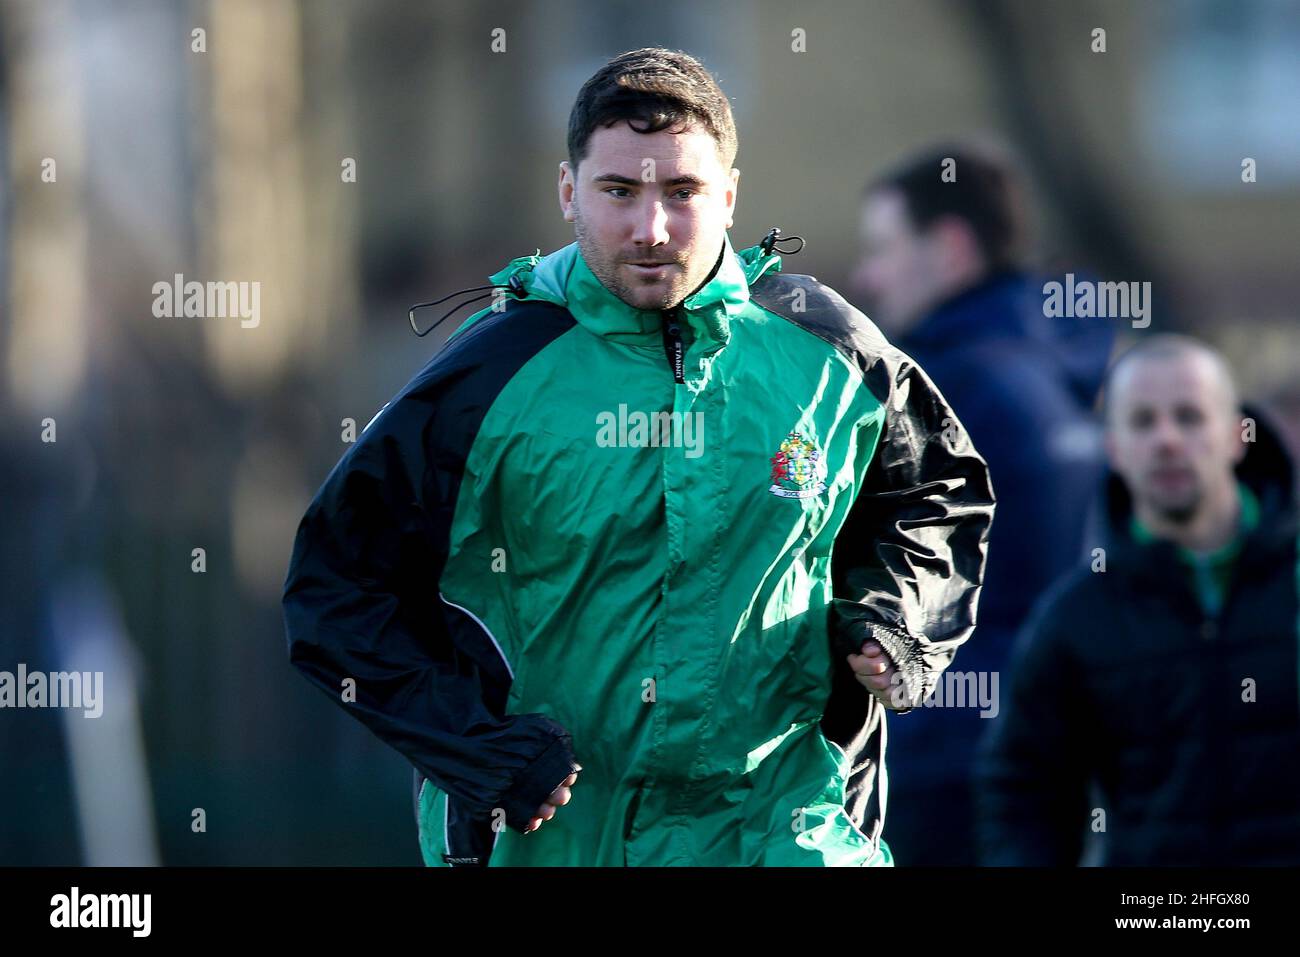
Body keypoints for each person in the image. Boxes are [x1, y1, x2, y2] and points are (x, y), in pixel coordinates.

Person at [282, 47, 994, 866]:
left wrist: (897, 620)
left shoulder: (832, 350)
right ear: (568, 192)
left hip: (789, 832)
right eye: (618, 191)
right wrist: (476, 748)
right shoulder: (487, 375)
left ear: (729, 194)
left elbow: (936, 495)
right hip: (554, 841)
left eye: (682, 192)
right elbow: (335, 589)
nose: (649, 229)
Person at [850, 143, 1113, 865]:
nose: (868, 275)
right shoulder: (1059, 371)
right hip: (1053, 737)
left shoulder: (942, 389)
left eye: (883, 246)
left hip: (944, 751)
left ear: (952, 248)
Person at [975, 334, 1300, 865]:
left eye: (1190, 417)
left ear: (1237, 435)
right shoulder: (1075, 618)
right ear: (1115, 448)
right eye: (1143, 421)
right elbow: (1022, 791)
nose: (1167, 439)